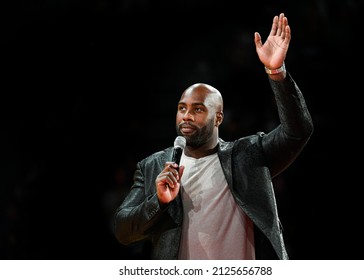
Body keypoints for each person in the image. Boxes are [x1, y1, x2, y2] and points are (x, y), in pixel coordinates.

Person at [114, 13, 314, 260]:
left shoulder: (249, 156)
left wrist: (276, 72)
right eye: (182, 108)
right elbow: (122, 230)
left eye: (198, 109)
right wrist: (159, 201)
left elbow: (298, 131)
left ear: (218, 118)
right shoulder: (153, 167)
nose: (186, 116)